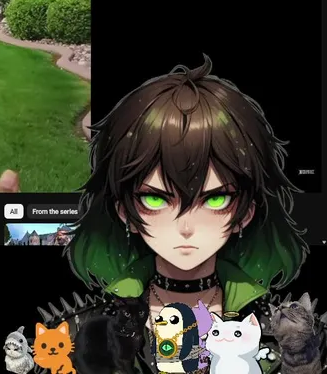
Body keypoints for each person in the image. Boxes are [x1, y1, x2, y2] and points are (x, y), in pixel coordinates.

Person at [63, 56, 307, 369]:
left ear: (246, 212)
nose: (186, 225)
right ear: (124, 211)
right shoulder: (89, 325)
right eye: (155, 199)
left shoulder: (283, 329)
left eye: (216, 199)